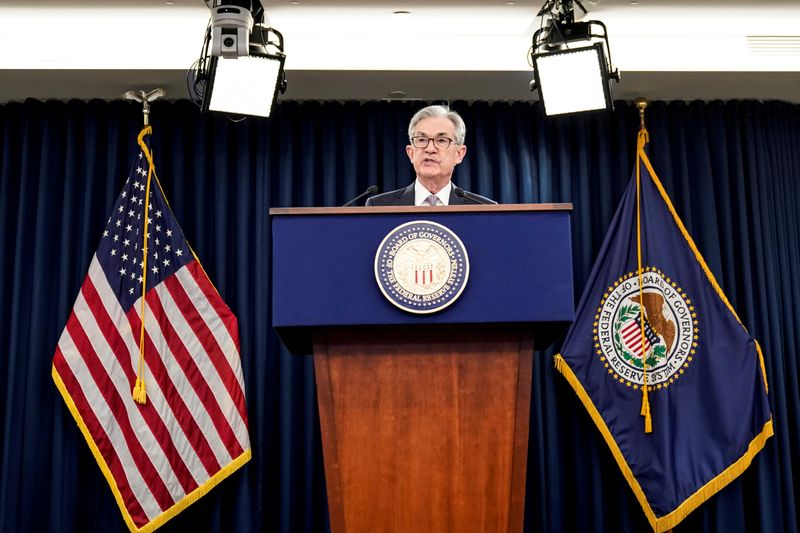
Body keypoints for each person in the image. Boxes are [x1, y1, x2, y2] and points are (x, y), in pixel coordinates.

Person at [365, 105, 496, 206]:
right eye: (422, 140)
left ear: (459, 154)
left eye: (441, 140)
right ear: (411, 153)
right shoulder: (379, 206)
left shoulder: (484, 208)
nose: (430, 148)